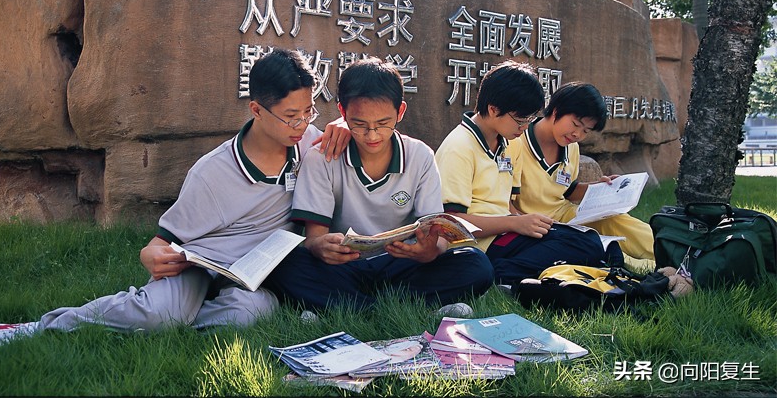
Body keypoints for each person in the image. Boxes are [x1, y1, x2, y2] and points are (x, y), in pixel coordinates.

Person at [0, 48, 351, 347]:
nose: (303, 124)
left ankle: (175, 323)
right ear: (256, 110)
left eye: (309, 111)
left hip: (253, 277)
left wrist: (345, 123)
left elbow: (359, 140)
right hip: (201, 266)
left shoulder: (307, 142)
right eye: (292, 116)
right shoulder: (213, 173)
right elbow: (160, 244)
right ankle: (35, 328)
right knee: (159, 312)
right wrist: (151, 256)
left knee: (249, 314)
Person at [265, 57, 494, 314]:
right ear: (343, 112)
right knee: (286, 264)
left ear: (401, 111)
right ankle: (397, 308)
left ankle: (347, 307)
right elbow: (314, 238)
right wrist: (320, 247)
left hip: (401, 264)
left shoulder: (419, 156)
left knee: (476, 263)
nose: (372, 135)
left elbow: (436, 237)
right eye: (360, 124)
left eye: (383, 124)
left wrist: (428, 252)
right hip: (345, 266)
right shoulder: (322, 157)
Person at [435, 61, 623, 284]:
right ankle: (505, 275)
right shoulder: (459, 147)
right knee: (578, 247)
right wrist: (515, 223)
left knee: (595, 243)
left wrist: (521, 222)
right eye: (520, 120)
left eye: (529, 120)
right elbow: (450, 223)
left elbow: (504, 203)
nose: (525, 127)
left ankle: (539, 271)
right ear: (494, 109)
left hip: (507, 232)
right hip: (483, 245)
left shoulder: (502, 141)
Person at [510, 81, 655, 262]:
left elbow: (568, 191)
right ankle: (639, 264)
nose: (578, 134)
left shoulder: (572, 148)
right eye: (575, 124)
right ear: (556, 111)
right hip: (533, 224)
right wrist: (520, 222)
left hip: (566, 216)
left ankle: (671, 252)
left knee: (616, 221)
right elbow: (503, 200)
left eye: (586, 130)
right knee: (591, 246)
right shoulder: (516, 142)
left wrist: (601, 188)